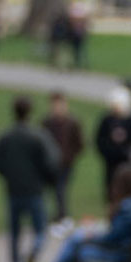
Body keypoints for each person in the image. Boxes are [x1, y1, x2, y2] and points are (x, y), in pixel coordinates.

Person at [0, 95, 60, 262]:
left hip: (13, 190)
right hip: (35, 190)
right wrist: (48, 181)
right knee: (40, 229)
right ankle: (33, 254)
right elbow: (51, 162)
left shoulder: (5, 137)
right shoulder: (38, 136)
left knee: (15, 233)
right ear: (30, 112)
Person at [41, 91, 83, 226]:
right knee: (51, 190)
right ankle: (54, 215)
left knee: (60, 189)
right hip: (49, 164)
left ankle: (62, 216)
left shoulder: (72, 123)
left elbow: (79, 143)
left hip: (66, 164)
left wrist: (70, 157)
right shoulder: (46, 122)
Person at [97, 86, 131, 202]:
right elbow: (100, 140)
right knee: (110, 185)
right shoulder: (107, 120)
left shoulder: (130, 121)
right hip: (110, 161)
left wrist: (126, 152)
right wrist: (108, 152)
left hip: (125, 161)